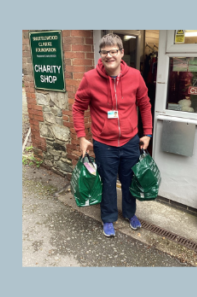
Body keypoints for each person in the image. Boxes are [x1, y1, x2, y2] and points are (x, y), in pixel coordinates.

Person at [72, 33, 153, 238]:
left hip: (130, 141)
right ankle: (108, 218)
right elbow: (77, 108)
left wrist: (148, 133)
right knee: (108, 181)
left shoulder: (135, 76)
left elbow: (144, 105)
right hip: (104, 143)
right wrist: (82, 137)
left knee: (129, 180)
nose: (109, 56)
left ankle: (129, 213)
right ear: (100, 54)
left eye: (113, 51)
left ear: (121, 53)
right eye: (105, 52)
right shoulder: (90, 79)